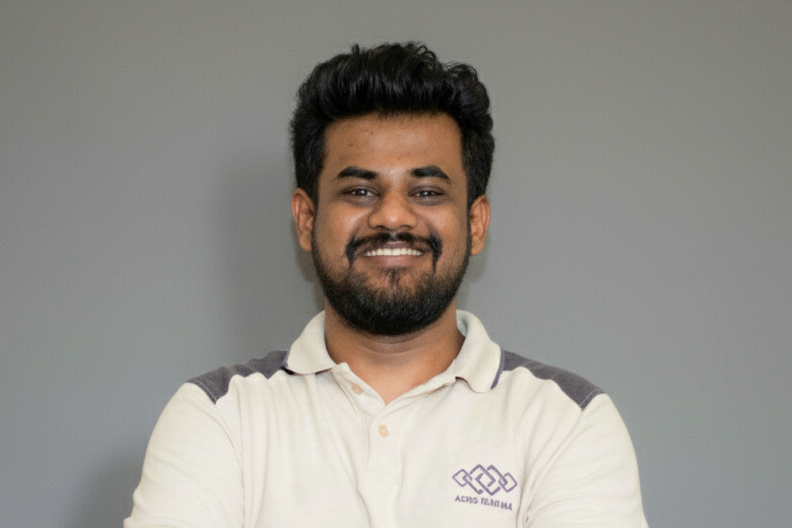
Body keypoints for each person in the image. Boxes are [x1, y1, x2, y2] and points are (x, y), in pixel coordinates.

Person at [125, 42, 648, 528]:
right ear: (306, 219)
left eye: (427, 191)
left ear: (476, 223)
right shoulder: (219, 416)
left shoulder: (565, 421)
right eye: (359, 190)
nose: (393, 216)